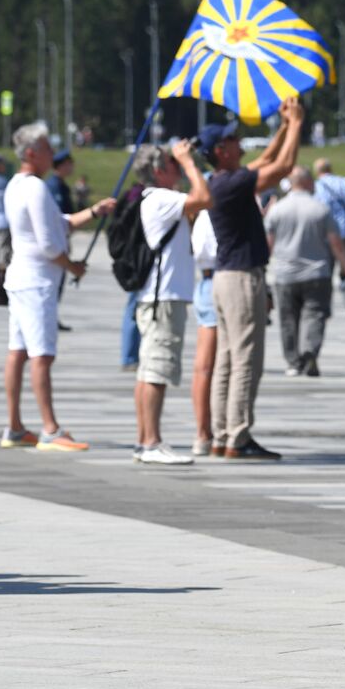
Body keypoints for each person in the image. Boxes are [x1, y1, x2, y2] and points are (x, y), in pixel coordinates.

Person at [0, 123, 115, 451]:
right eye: (47, 148)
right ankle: (50, 428)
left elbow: (59, 222)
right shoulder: (36, 187)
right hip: (37, 281)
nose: (53, 153)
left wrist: (94, 211)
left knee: (18, 352)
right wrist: (73, 266)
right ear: (32, 153)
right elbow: (50, 243)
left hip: (20, 276)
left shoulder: (16, 185)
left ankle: (15, 426)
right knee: (41, 354)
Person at [201, 96, 303, 461]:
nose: (238, 142)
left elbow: (266, 160)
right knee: (246, 361)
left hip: (226, 278)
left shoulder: (222, 179)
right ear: (220, 150)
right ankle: (238, 436)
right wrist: (296, 124)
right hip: (242, 279)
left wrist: (282, 127)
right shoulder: (230, 184)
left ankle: (222, 434)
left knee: (227, 361)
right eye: (231, 140)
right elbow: (284, 166)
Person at [130, 141, 213, 466]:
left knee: (148, 369)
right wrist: (188, 161)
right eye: (172, 165)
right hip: (163, 297)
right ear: (159, 171)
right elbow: (205, 198)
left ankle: (144, 439)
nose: (178, 170)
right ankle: (151, 441)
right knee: (156, 371)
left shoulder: (157, 200)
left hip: (157, 296)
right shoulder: (161, 198)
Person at [265, 166, 345, 377]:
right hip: (317, 272)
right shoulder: (320, 209)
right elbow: (336, 243)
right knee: (315, 315)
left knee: (288, 319)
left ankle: (293, 361)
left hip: (285, 274)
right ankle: (309, 352)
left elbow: (268, 243)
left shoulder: (277, 209)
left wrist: (264, 267)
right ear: (306, 183)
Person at [313, 157, 345, 319]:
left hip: (325, 234)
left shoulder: (315, 186)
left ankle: (324, 305)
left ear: (317, 171)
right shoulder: (344, 182)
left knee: (326, 271)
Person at [189, 206, 219, 457]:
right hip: (218, 279)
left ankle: (205, 431)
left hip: (207, 280)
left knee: (206, 366)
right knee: (207, 365)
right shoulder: (212, 213)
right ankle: (204, 432)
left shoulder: (202, 215)